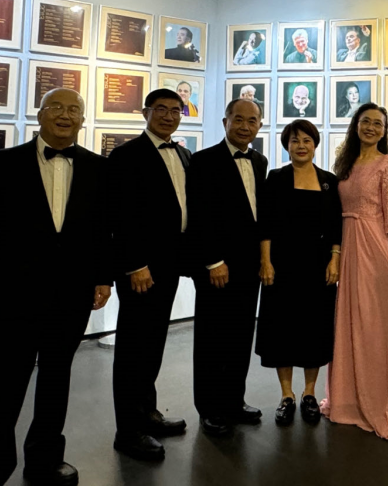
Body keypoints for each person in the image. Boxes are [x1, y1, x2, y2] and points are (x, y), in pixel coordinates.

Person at [0, 88, 111, 486]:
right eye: (56, 107)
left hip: (72, 295)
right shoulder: (1, 163)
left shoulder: (98, 167)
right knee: (2, 387)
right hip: (14, 296)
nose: (65, 114)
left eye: (74, 109)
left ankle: (44, 460)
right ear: (40, 115)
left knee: (56, 381)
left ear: (82, 120)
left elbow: (101, 230)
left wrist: (103, 277)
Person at [323, 103, 388, 441]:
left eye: (378, 123)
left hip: (375, 247)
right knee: (350, 322)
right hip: (348, 247)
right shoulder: (344, 163)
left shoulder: (387, 164)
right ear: (356, 125)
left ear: (384, 130)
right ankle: (348, 398)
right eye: (366, 121)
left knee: (377, 326)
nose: (372, 127)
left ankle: (380, 397)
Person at [108, 89, 191, 462]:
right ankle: (128, 431)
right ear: (146, 112)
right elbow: (119, 215)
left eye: (176, 110)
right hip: (140, 269)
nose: (169, 116)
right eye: (161, 109)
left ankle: (147, 413)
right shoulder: (126, 155)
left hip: (170, 265)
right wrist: (134, 264)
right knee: (132, 348)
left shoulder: (184, 154)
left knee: (153, 342)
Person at [186, 98, 269, 437]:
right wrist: (213, 260)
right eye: (238, 119)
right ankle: (210, 408)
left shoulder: (260, 161)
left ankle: (234, 400)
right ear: (225, 122)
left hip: (249, 267)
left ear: (259, 125)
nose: (245, 126)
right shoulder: (203, 160)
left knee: (240, 335)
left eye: (252, 120)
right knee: (212, 338)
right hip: (216, 266)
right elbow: (199, 214)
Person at [256, 120, 342, 426]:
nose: (301, 146)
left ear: (315, 144)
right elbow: (265, 224)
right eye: (295, 141)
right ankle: (286, 395)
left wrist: (335, 259)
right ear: (287, 146)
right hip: (281, 265)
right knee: (282, 329)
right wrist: (265, 262)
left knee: (314, 329)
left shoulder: (329, 181)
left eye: (307, 140)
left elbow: (336, 226)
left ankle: (309, 393)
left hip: (318, 267)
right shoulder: (276, 178)